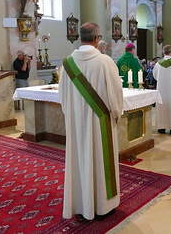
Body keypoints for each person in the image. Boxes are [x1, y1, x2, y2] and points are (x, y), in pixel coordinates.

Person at [59, 22, 123, 220]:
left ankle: (81, 203)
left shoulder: (68, 63)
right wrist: (116, 114)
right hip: (100, 122)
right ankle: (104, 205)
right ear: (97, 38)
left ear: (80, 37)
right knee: (100, 160)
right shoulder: (105, 62)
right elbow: (115, 94)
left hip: (77, 123)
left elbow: (63, 98)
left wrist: (74, 116)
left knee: (81, 160)